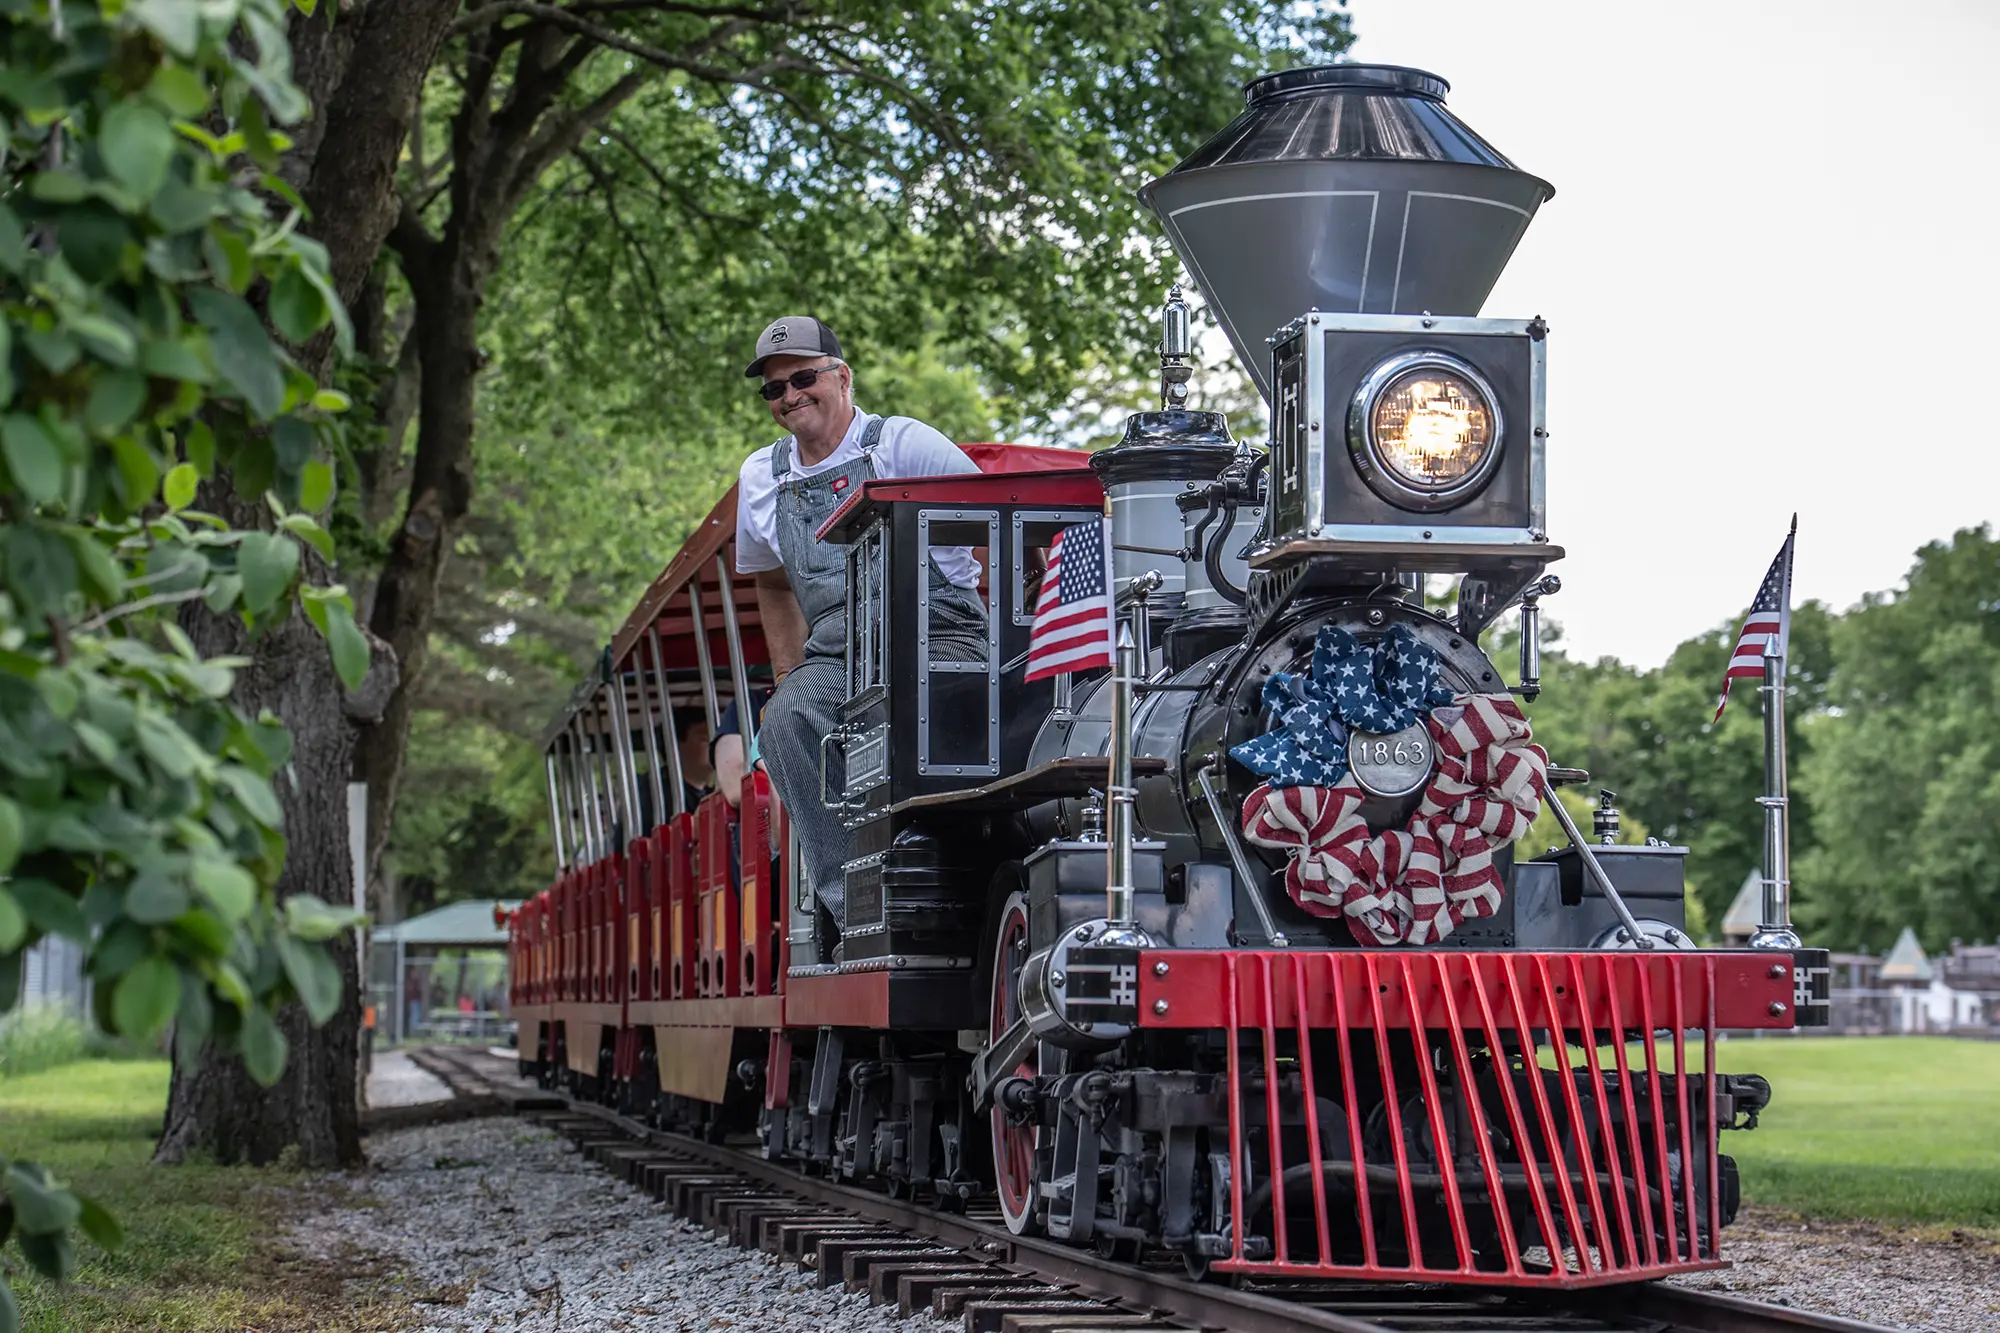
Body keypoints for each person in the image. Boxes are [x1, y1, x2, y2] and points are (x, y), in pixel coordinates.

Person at [735, 315, 989, 958]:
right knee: (786, 718)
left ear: (842, 378)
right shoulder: (761, 478)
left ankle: (953, 874)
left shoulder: (902, 444)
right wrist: (791, 673)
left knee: (904, 702)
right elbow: (769, 583)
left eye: (802, 378)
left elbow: (1002, 514)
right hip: (837, 651)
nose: (789, 396)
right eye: (773, 389)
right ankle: (861, 911)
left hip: (940, 634)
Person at [672, 707, 712, 813]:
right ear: (678, 745)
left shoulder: (712, 794)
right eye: (705, 739)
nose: (714, 745)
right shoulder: (657, 793)